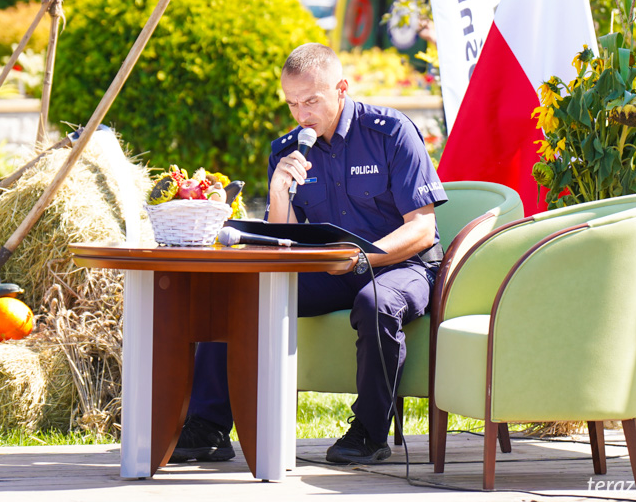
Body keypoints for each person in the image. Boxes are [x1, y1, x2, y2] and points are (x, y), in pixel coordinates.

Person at [171, 43, 448, 464]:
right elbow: (283, 242)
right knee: (235, 294)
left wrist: (361, 260)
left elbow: (423, 229)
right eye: (292, 104)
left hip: (401, 265)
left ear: (341, 88)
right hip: (326, 267)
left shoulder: (390, 132)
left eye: (312, 101)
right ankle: (207, 427)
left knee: (375, 302)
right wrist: (279, 192)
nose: (302, 115)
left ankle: (369, 433)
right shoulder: (286, 150)